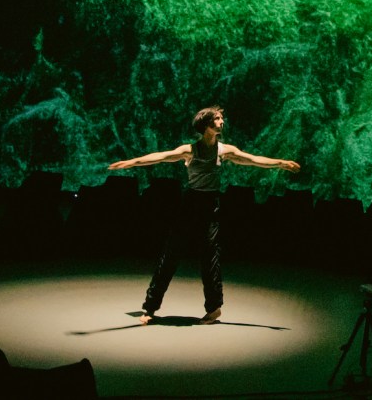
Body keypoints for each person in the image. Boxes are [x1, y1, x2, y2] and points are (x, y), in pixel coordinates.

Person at [108, 105, 300, 325]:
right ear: (207, 125)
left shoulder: (225, 150)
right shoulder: (190, 150)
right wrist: (131, 163)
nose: (222, 122)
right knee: (170, 255)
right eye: (217, 119)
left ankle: (214, 309)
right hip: (190, 204)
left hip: (211, 205)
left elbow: (253, 159)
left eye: (221, 118)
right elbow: (160, 157)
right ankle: (150, 307)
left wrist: (281, 163)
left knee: (211, 257)